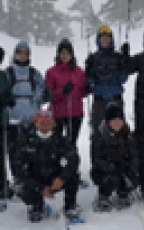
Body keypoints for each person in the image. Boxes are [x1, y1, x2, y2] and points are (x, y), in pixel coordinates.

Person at [13, 108, 80, 222]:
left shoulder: (60, 139)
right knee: (23, 187)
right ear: (36, 123)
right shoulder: (26, 140)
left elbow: (73, 159)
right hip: (35, 179)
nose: (45, 126)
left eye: (48, 123)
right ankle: (36, 206)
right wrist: (39, 187)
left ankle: (70, 206)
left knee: (73, 177)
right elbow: (18, 168)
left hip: (54, 178)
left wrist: (61, 178)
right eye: (42, 123)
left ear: (53, 124)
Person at [6, 41, 46, 180]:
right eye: (19, 52)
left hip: (31, 119)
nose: (22, 55)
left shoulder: (34, 73)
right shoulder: (8, 73)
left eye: (25, 53)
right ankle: (17, 179)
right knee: (14, 152)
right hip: (12, 119)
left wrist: (37, 100)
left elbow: (42, 90)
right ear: (15, 54)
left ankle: (31, 179)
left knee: (31, 150)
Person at [45, 39, 87, 169]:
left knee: (71, 143)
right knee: (57, 143)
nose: (64, 55)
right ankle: (57, 170)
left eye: (67, 53)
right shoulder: (51, 72)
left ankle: (72, 171)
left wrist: (87, 89)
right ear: (58, 54)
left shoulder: (79, 72)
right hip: (58, 113)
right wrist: (62, 91)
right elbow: (48, 94)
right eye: (62, 53)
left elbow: (81, 92)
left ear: (72, 54)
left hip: (75, 113)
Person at [90, 102, 139, 211]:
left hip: (123, 167)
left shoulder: (127, 135)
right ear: (108, 122)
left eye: (119, 120)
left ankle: (123, 193)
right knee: (111, 178)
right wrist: (111, 166)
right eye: (114, 120)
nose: (117, 123)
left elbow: (134, 155)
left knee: (131, 177)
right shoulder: (99, 136)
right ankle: (104, 195)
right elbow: (96, 159)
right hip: (104, 170)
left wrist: (131, 168)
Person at [85, 26, 128, 135]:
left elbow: (123, 79)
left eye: (107, 38)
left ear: (111, 39)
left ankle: (122, 152)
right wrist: (88, 73)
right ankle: (96, 152)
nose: (105, 40)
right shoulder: (93, 58)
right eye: (102, 38)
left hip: (116, 99)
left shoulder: (118, 57)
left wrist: (125, 62)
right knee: (97, 132)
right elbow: (88, 80)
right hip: (99, 100)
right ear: (98, 40)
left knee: (119, 132)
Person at [0, 47, 14, 204]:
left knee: (2, 155)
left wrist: (8, 99)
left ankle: (2, 185)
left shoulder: (3, 76)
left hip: (2, 121)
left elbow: (10, 95)